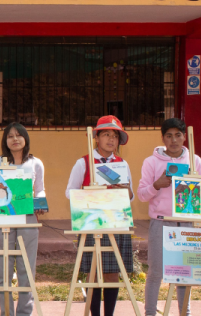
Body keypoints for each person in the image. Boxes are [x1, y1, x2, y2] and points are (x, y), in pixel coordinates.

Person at [64, 115, 135, 316]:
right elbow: (69, 192)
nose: (111, 139)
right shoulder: (83, 162)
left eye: (115, 136)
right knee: (93, 273)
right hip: (91, 222)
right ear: (97, 137)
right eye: (106, 134)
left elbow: (130, 196)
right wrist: (91, 193)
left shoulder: (122, 164)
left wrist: (126, 191)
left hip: (116, 222)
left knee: (112, 273)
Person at [138, 118, 201, 316]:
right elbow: (141, 195)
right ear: (163, 138)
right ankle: (150, 312)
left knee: (184, 273)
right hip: (160, 223)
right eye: (169, 136)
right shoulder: (151, 162)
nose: (173, 140)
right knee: (155, 272)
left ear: (184, 137)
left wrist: (196, 185)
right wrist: (156, 185)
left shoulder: (195, 161)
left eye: (178, 135)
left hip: (187, 223)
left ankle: (185, 312)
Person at [0, 123, 46, 316]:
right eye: (10, 136)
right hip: (1, 220)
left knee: (26, 270)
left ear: (25, 138)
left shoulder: (35, 163)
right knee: (2, 271)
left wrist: (41, 201)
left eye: (19, 135)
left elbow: (40, 189)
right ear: (5, 141)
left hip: (28, 220)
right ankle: (6, 312)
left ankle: (24, 312)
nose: (15, 139)